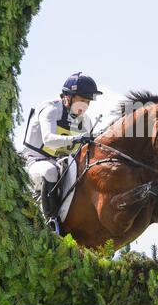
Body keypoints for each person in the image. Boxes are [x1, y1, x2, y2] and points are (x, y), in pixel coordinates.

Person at [22, 72, 103, 226]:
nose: (84, 106)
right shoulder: (51, 109)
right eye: (81, 100)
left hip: (63, 163)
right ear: (68, 97)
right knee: (50, 171)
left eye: (87, 102)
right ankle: (51, 221)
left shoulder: (85, 121)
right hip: (35, 161)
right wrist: (76, 138)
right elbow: (48, 140)